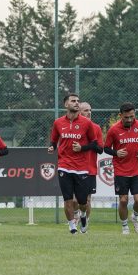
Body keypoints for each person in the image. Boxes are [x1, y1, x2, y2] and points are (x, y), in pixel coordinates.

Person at [48, 93, 98, 235]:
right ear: (66, 105)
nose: (77, 103)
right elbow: (53, 141)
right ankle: (72, 226)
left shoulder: (87, 123)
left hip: (82, 168)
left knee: (83, 202)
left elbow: (94, 144)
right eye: (73, 101)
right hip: (64, 165)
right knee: (68, 199)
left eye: (78, 101)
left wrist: (82, 148)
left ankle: (83, 216)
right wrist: (52, 147)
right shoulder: (58, 123)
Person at [104, 102, 138, 234]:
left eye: (132, 116)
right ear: (121, 115)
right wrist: (116, 153)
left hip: (137, 170)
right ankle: (125, 226)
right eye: (126, 117)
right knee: (123, 200)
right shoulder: (113, 130)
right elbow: (106, 148)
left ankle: (135, 217)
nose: (130, 119)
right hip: (121, 170)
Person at [71, 101, 102, 232]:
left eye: (90, 110)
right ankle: (77, 214)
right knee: (73, 200)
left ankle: (85, 223)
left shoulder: (96, 128)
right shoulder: (72, 127)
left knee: (87, 199)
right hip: (74, 168)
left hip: (89, 169)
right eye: (85, 110)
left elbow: (100, 149)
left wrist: (88, 144)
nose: (89, 112)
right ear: (79, 112)